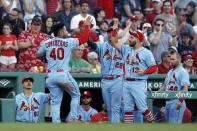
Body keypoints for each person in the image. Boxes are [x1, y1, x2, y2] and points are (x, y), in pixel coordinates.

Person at [36, 17, 91, 123]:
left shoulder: (47, 42)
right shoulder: (68, 42)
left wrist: (48, 57)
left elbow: (37, 55)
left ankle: (56, 123)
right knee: (76, 95)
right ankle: (74, 119)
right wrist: (87, 26)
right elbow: (84, 39)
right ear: (60, 31)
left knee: (56, 102)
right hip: (62, 75)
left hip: (50, 76)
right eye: (65, 30)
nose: (66, 32)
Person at [109, 30, 157, 123]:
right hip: (126, 82)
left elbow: (154, 67)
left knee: (142, 108)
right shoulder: (127, 49)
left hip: (139, 82)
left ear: (138, 39)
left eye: (132, 37)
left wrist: (144, 72)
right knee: (127, 108)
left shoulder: (146, 52)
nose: (129, 39)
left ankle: (152, 124)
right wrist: (114, 31)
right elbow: (114, 43)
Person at [87, 28, 124, 123]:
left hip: (117, 79)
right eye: (108, 32)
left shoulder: (123, 47)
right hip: (105, 80)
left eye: (112, 33)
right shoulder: (102, 46)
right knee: (108, 107)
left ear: (116, 35)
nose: (110, 34)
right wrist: (87, 31)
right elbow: (91, 44)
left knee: (115, 107)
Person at [159, 52, 190, 123]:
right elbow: (164, 86)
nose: (171, 61)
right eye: (170, 59)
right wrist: (155, 95)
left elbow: (185, 88)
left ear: (179, 60)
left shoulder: (183, 71)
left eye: (173, 59)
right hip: (168, 102)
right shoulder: (170, 72)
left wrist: (180, 101)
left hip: (176, 101)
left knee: (174, 126)